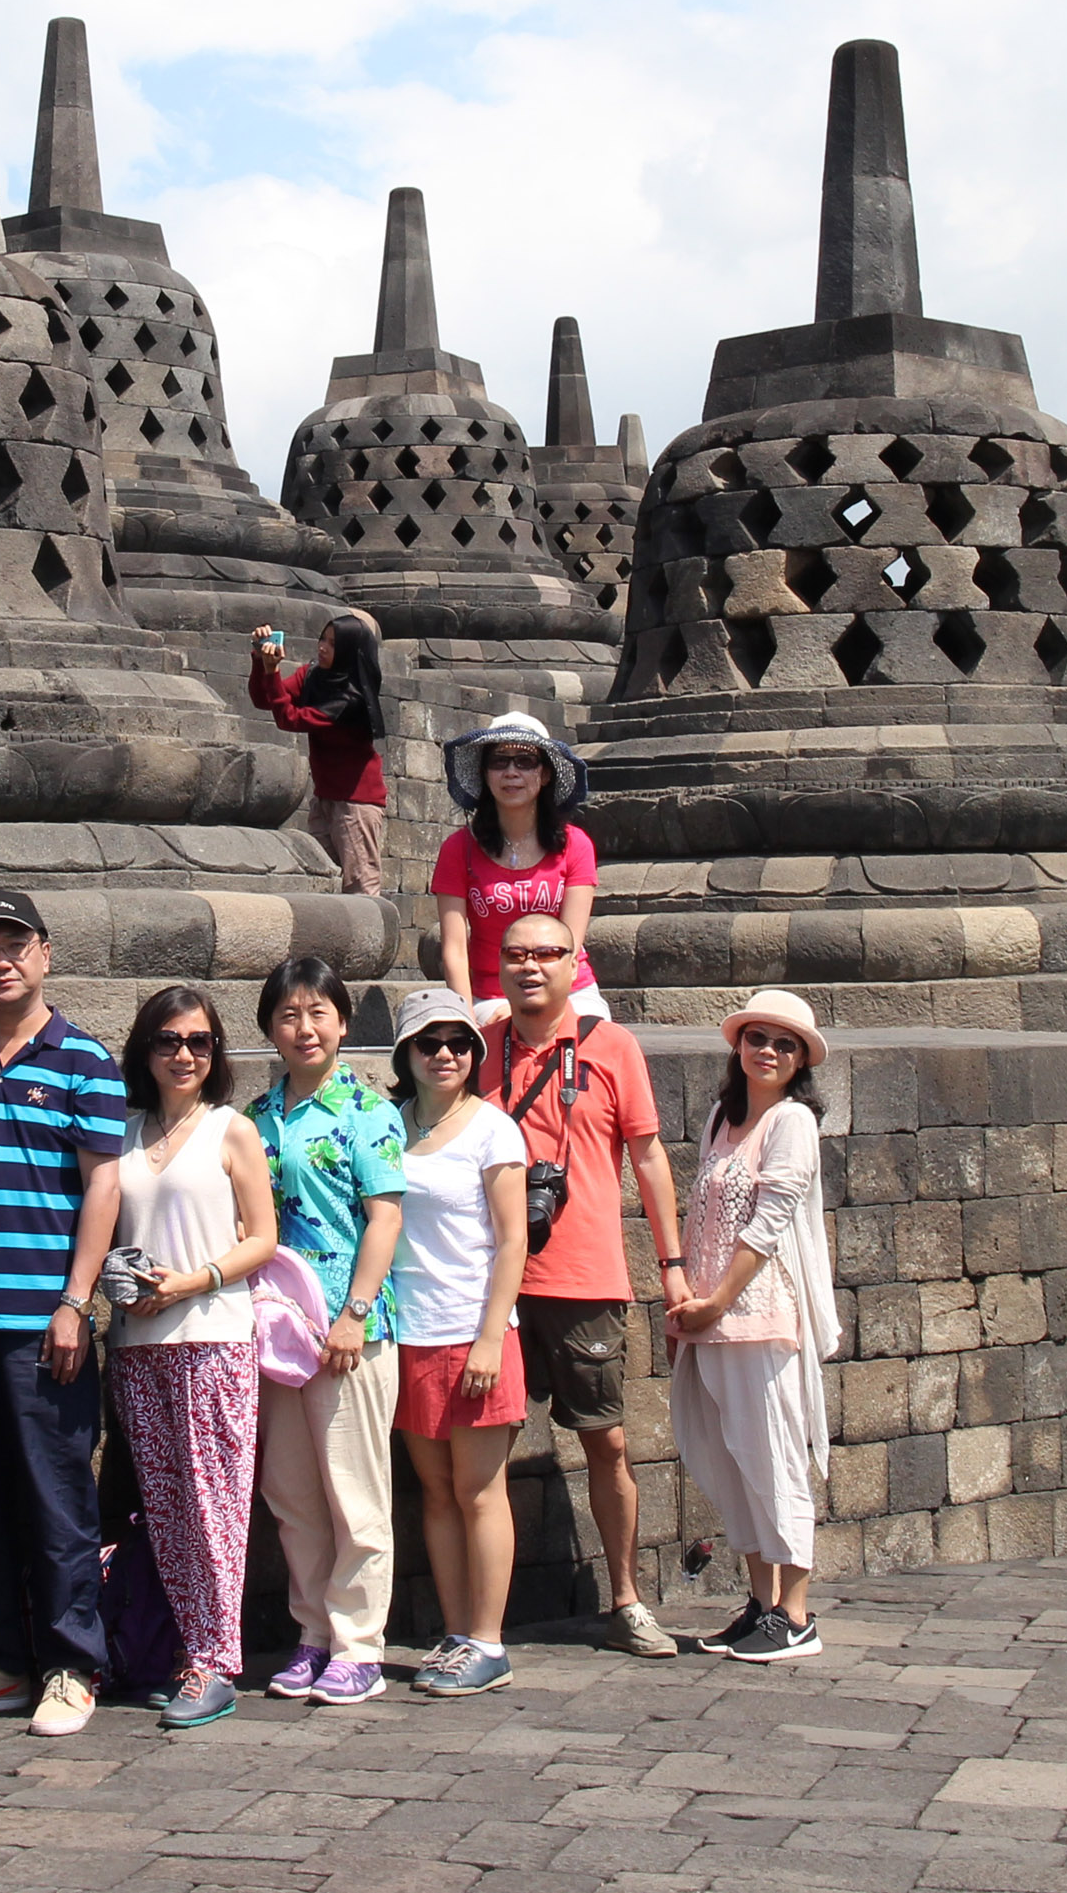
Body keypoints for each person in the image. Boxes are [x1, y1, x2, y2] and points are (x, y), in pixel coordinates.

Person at [0, 889, 125, 1739]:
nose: (0, 959)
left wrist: (76, 1301)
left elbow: (103, 1185)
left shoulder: (85, 1059)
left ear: (44, 952)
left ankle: (72, 1663)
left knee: (59, 1500)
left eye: (15, 944)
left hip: (46, 1326)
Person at [474, 907, 686, 1656]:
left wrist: (672, 1265)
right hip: (490, 1281)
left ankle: (625, 1597)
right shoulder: (476, 1047)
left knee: (608, 1440)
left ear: (573, 964)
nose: (530, 966)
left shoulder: (612, 1046)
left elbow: (649, 1158)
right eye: (516, 954)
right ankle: (479, 1618)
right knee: (481, 1449)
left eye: (547, 953)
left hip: (583, 1274)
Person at [102, 985, 278, 1728]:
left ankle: (215, 1660)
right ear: (145, 1049)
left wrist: (194, 1280)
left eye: (199, 1041)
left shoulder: (231, 1130)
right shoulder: (123, 1132)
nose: (184, 1054)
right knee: (167, 1508)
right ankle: (183, 1650)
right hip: (137, 1345)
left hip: (211, 1338)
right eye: (169, 1040)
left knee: (216, 1506)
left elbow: (263, 1237)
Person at [245, 956, 402, 1705]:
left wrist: (355, 1312)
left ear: (342, 1022)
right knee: (292, 1493)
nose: (303, 1028)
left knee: (355, 1493)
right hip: (279, 1329)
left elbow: (385, 1220)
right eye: (288, 1015)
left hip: (349, 1329)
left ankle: (359, 1644)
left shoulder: (367, 1111)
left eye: (318, 1013)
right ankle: (311, 1631)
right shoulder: (254, 1117)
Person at [666, 992, 840, 1663]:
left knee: (773, 1458)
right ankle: (761, 1602)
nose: (767, 1051)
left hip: (760, 1315)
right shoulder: (722, 1117)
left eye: (783, 1044)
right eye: (757, 1038)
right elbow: (702, 1213)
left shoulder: (792, 1121)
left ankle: (795, 1613)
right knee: (733, 1461)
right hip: (710, 1313)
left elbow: (769, 1225)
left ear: (800, 1061)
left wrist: (717, 1300)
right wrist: (688, 1295)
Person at [382, 985, 528, 1699]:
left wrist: (490, 1336)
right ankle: (456, 1630)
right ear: (405, 1054)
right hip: (411, 1330)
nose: (446, 1054)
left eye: (460, 1042)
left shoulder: (492, 1129)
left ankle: (489, 1640)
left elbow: (512, 1239)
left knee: (479, 1490)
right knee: (436, 1492)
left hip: (473, 1328)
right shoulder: (389, 1125)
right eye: (430, 1043)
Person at [432, 715, 599, 1006]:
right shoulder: (458, 848)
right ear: (485, 773)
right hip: (492, 996)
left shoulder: (576, 845)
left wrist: (546, 1017)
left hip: (568, 991)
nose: (511, 772)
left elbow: (569, 946)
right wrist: (466, 1019)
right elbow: (454, 952)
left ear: (545, 774)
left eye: (525, 761)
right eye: (499, 761)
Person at [247, 609, 389, 897]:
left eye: (333, 644)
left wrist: (273, 672)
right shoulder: (312, 674)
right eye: (323, 639)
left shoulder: (350, 699)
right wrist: (261, 661)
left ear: (348, 651)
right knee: (321, 883)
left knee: (360, 888)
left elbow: (290, 719)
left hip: (356, 804)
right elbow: (265, 700)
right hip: (325, 797)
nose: (322, 647)